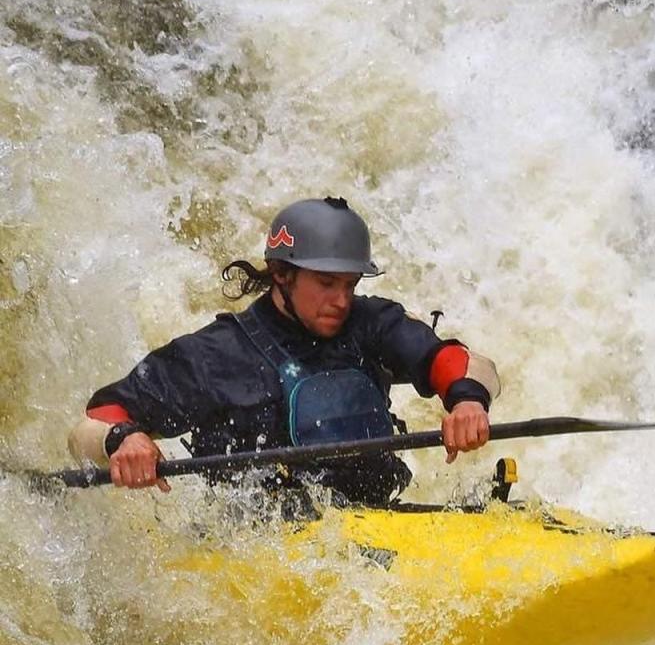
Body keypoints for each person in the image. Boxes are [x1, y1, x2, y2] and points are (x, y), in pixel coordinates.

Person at [68, 197, 500, 507]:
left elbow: (464, 363)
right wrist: (124, 441)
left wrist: (466, 401)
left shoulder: (371, 325)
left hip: (376, 521)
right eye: (326, 283)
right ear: (281, 274)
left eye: (350, 284)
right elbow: (95, 420)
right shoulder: (216, 356)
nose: (341, 300)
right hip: (262, 549)